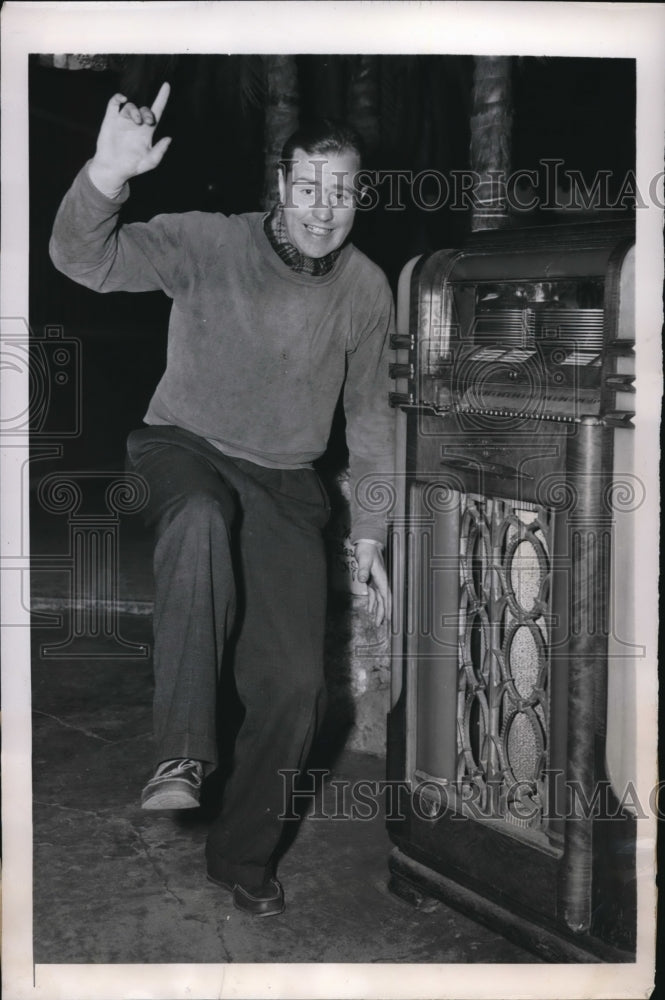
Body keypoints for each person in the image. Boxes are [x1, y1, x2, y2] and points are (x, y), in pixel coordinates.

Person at [50, 83, 395, 917]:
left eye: (341, 191)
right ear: (281, 187)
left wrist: (369, 535)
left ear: (359, 196)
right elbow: (83, 259)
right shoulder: (209, 242)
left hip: (285, 483)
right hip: (184, 449)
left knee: (297, 689)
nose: (323, 209)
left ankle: (241, 856)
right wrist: (106, 174)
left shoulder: (364, 289)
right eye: (307, 188)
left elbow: (371, 417)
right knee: (200, 519)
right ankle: (181, 753)